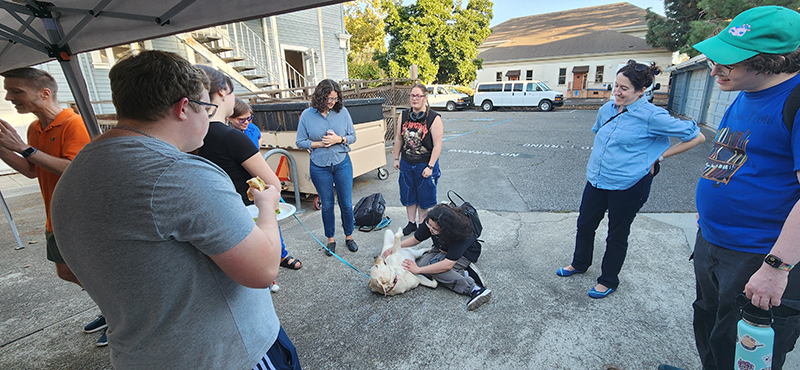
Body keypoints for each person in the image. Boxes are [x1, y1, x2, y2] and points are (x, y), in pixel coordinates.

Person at [50, 50, 301, 369]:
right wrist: (266, 207)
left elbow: (73, 269)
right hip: (226, 356)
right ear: (184, 108)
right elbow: (263, 271)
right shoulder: (180, 174)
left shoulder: (75, 174)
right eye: (207, 109)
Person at [659, 6, 800, 370]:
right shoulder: (744, 89)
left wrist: (776, 267)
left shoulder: (795, 101)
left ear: (773, 61)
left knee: (744, 349)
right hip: (714, 241)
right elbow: (736, 155)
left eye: (730, 61)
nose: (714, 68)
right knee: (709, 322)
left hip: (759, 255)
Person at [557, 60, 705, 299]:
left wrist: (659, 158)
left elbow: (697, 137)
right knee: (585, 225)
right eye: (615, 86)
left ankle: (608, 280)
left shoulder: (652, 115)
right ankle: (579, 263)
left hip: (629, 184)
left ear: (641, 91)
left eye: (624, 89)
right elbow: (601, 136)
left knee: (617, 233)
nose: (617, 92)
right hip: (596, 179)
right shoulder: (607, 109)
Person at [0, 67, 108, 346]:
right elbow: (32, 170)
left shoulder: (74, 123)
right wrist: (4, 148)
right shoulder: (35, 127)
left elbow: (76, 168)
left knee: (92, 270)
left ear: (44, 93)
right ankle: (112, 309)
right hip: (56, 214)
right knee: (66, 270)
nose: (8, 96)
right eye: (7, 90)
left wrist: (24, 148)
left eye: (16, 91)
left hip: (83, 215)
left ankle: (118, 312)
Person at [196, 66, 301, 271]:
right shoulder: (232, 137)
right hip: (246, 215)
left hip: (215, 218)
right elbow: (273, 185)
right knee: (261, 272)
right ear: (222, 92)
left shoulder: (194, 134)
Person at [385, 203, 491, 310]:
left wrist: (418, 269)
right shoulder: (432, 220)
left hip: (464, 254)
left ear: (447, 229)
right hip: (441, 247)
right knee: (426, 269)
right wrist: (396, 246)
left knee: (434, 269)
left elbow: (447, 264)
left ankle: (474, 289)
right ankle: (465, 272)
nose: (430, 230)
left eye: (435, 229)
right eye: (429, 226)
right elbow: (416, 239)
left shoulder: (462, 233)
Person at [296, 79, 358, 255]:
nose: (332, 102)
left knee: (346, 204)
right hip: (319, 166)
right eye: (329, 99)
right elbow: (300, 142)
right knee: (327, 205)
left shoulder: (343, 112)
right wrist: (320, 143)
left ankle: (349, 236)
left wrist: (339, 139)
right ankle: (331, 240)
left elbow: (352, 136)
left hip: (342, 163)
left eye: (335, 99)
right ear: (320, 97)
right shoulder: (307, 115)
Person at [392, 83, 443, 236]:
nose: (414, 99)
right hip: (407, 162)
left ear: (425, 98)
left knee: (424, 196)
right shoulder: (404, 115)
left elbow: (437, 146)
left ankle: (422, 224)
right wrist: (396, 158)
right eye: (412, 95)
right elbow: (398, 138)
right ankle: (411, 223)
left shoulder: (434, 118)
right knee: (408, 194)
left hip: (424, 164)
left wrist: (431, 166)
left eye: (418, 96)